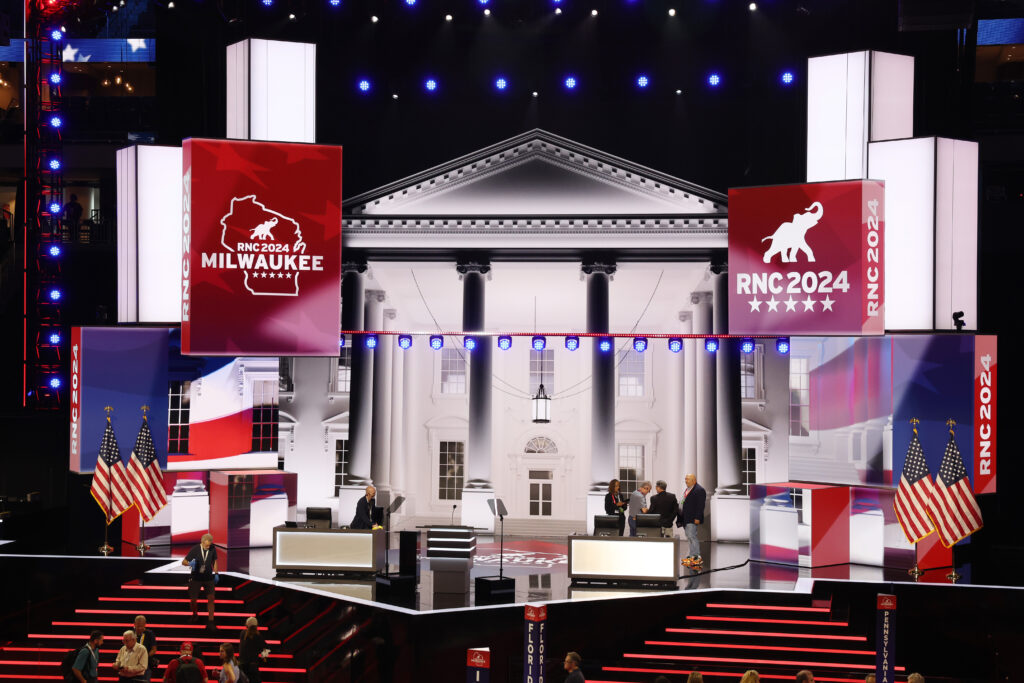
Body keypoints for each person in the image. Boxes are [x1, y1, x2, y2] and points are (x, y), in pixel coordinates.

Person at [182, 533, 219, 629]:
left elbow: (214, 561)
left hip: (208, 578)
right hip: (196, 578)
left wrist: (216, 573)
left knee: (211, 598)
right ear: (202, 542)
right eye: (207, 544)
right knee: (193, 599)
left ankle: (211, 621)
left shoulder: (212, 548)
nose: (208, 546)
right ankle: (195, 614)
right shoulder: (195, 549)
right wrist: (190, 563)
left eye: (210, 544)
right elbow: (184, 562)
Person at [677, 473, 707, 566]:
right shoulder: (688, 489)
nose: (686, 481)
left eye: (688, 479)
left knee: (692, 537)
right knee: (689, 537)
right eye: (685, 479)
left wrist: (698, 517)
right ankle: (691, 556)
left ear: (694, 480)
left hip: (692, 518)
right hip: (686, 518)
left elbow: (700, 506)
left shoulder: (699, 490)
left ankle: (697, 557)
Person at [238, 616, 269, 683]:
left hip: (242, 665)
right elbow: (266, 649)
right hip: (253, 666)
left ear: (246, 625)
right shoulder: (258, 636)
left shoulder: (242, 633)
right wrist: (263, 658)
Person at [133, 615, 158, 679]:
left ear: (145, 624)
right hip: (132, 664)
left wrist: (144, 656)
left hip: (145, 665)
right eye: (138, 626)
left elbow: (154, 649)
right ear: (134, 624)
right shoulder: (131, 633)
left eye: (141, 626)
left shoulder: (150, 634)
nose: (139, 628)